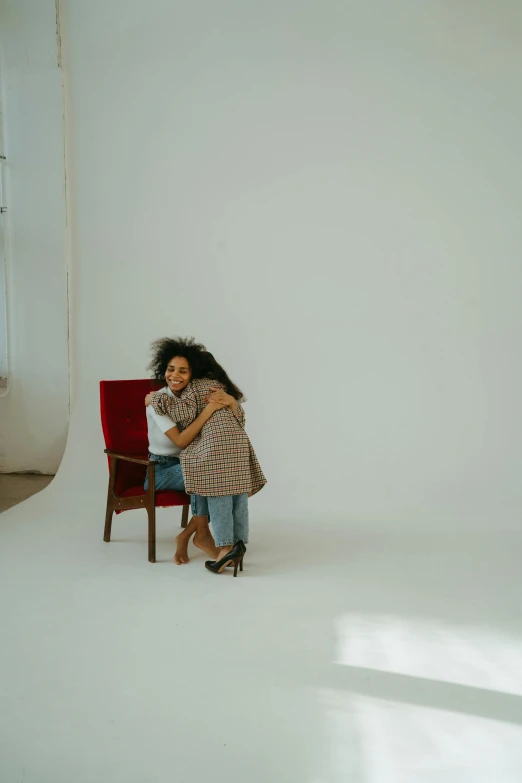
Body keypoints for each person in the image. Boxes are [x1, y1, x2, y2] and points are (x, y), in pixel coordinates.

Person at [146, 337, 266, 576]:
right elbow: (181, 441)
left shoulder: (199, 393)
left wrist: (231, 402)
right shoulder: (157, 399)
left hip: (195, 459)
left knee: (220, 474)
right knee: (214, 474)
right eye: (171, 369)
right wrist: (211, 408)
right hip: (158, 469)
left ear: (193, 373)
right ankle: (205, 536)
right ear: (163, 370)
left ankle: (202, 537)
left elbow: (239, 421)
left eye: (183, 371)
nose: (175, 376)